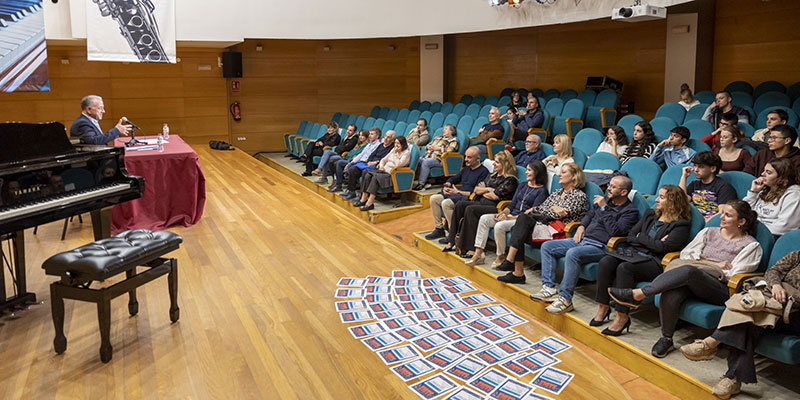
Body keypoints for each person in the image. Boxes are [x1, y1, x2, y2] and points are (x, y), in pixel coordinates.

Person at [609, 200, 762, 358]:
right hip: (693, 280)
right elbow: (686, 254)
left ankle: (639, 294)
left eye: (728, 215)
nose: (722, 217)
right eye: (722, 213)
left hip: (719, 289)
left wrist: (700, 262)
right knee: (672, 290)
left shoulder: (751, 246)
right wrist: (713, 264)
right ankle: (666, 338)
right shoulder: (709, 231)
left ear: (741, 222)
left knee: (689, 270)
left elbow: (732, 274)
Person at [678, 250, 800, 399]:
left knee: (749, 312)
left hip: (793, 313)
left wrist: (788, 295)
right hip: (770, 300)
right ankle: (732, 379)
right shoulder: (797, 255)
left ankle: (711, 343)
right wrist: (776, 285)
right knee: (748, 315)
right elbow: (773, 271)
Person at [592, 185, 692, 335]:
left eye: (662, 197)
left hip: (655, 262)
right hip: (635, 253)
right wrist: (649, 241)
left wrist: (642, 238)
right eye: (658, 195)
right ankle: (603, 307)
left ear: (673, 201)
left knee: (624, 268)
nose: (656, 200)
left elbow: (662, 249)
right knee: (606, 261)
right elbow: (632, 235)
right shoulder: (651, 214)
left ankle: (622, 316)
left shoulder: (681, 224)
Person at [532, 176, 639, 314]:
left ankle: (565, 300)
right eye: (609, 185)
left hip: (602, 246)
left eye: (613, 187)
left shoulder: (630, 211)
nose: (608, 189)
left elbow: (616, 232)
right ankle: (549, 288)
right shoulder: (605, 200)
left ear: (624, 192)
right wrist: (582, 226)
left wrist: (604, 209)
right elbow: (589, 215)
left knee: (573, 253)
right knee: (548, 247)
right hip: (584, 240)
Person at [495, 163, 589, 283]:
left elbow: (558, 214)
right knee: (519, 226)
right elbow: (541, 208)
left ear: (574, 176)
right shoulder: (557, 192)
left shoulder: (579, 196)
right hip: (544, 229)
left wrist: (551, 208)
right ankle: (516, 271)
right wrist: (552, 208)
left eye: (564, 172)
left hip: (558, 235)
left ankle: (512, 265)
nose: (559, 174)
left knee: (521, 224)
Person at [467, 160, 549, 267]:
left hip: (522, 221)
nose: (526, 172)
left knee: (499, 225)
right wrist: (503, 213)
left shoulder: (542, 191)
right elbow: (512, 204)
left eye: (529, 170)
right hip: (510, 216)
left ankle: (500, 256)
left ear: (537, 172)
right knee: (484, 219)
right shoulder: (523, 185)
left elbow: (531, 214)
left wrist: (510, 218)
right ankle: (478, 254)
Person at [442, 151, 519, 254]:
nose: (494, 164)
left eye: (497, 162)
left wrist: (485, 190)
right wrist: (489, 189)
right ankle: (451, 241)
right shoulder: (492, 175)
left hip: (496, 207)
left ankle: (470, 248)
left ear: (504, 164)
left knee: (471, 209)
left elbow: (495, 196)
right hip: (483, 203)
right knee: (460, 205)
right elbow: (476, 189)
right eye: (494, 161)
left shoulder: (510, 180)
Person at [425, 147, 489, 240]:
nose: (466, 159)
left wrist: (458, 191)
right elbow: (454, 178)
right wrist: (447, 185)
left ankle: (452, 235)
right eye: (466, 156)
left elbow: (476, 192)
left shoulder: (484, 172)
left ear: (478, 159)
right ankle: (439, 229)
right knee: (434, 198)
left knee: (446, 203)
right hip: (457, 194)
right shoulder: (466, 169)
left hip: (468, 198)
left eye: (469, 157)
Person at [744, 157, 800, 237]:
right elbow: (743, 211)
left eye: (768, 172)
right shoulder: (765, 188)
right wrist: (753, 192)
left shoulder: (794, 195)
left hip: (771, 237)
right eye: (764, 170)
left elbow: (783, 227)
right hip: (752, 232)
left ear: (781, 178)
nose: (762, 174)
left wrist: (751, 230)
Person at [353, 137, 411, 211]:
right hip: (383, 171)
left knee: (375, 178)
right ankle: (363, 199)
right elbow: (383, 159)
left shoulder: (406, 153)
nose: (396, 145)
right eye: (395, 143)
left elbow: (398, 165)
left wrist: (396, 154)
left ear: (403, 144)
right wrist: (382, 166)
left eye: (398, 143)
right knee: (368, 174)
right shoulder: (393, 150)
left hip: (392, 175)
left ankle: (370, 203)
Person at [680, 151, 737, 221]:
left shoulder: (724, 187)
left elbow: (722, 213)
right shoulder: (694, 184)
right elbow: (681, 200)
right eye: (695, 166)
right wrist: (684, 177)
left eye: (700, 167)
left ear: (712, 168)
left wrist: (703, 224)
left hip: (711, 224)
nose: (696, 170)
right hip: (692, 221)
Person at [340, 130, 396, 201]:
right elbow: (372, 155)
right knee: (353, 169)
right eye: (385, 136)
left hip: (378, 166)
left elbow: (386, 159)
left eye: (388, 137)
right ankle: (351, 191)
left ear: (393, 139)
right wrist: (370, 161)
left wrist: (376, 162)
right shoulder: (381, 145)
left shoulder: (392, 148)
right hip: (369, 164)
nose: (385, 138)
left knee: (365, 171)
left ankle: (362, 196)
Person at [327, 128, 382, 193]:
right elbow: (361, 154)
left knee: (349, 167)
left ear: (377, 136)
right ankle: (338, 186)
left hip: (365, 163)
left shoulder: (378, 145)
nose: (370, 135)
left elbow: (370, 157)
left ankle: (350, 190)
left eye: (372, 134)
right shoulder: (370, 144)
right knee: (339, 162)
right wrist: (352, 162)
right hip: (358, 161)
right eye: (369, 134)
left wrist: (352, 162)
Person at [414, 124, 459, 190]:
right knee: (416, 160)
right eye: (444, 128)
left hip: (440, 159)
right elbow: (428, 145)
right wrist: (428, 147)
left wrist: (439, 148)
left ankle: (421, 184)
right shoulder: (438, 137)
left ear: (451, 131)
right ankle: (412, 181)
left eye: (446, 128)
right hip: (428, 156)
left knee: (426, 162)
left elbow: (450, 150)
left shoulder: (453, 139)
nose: (443, 130)